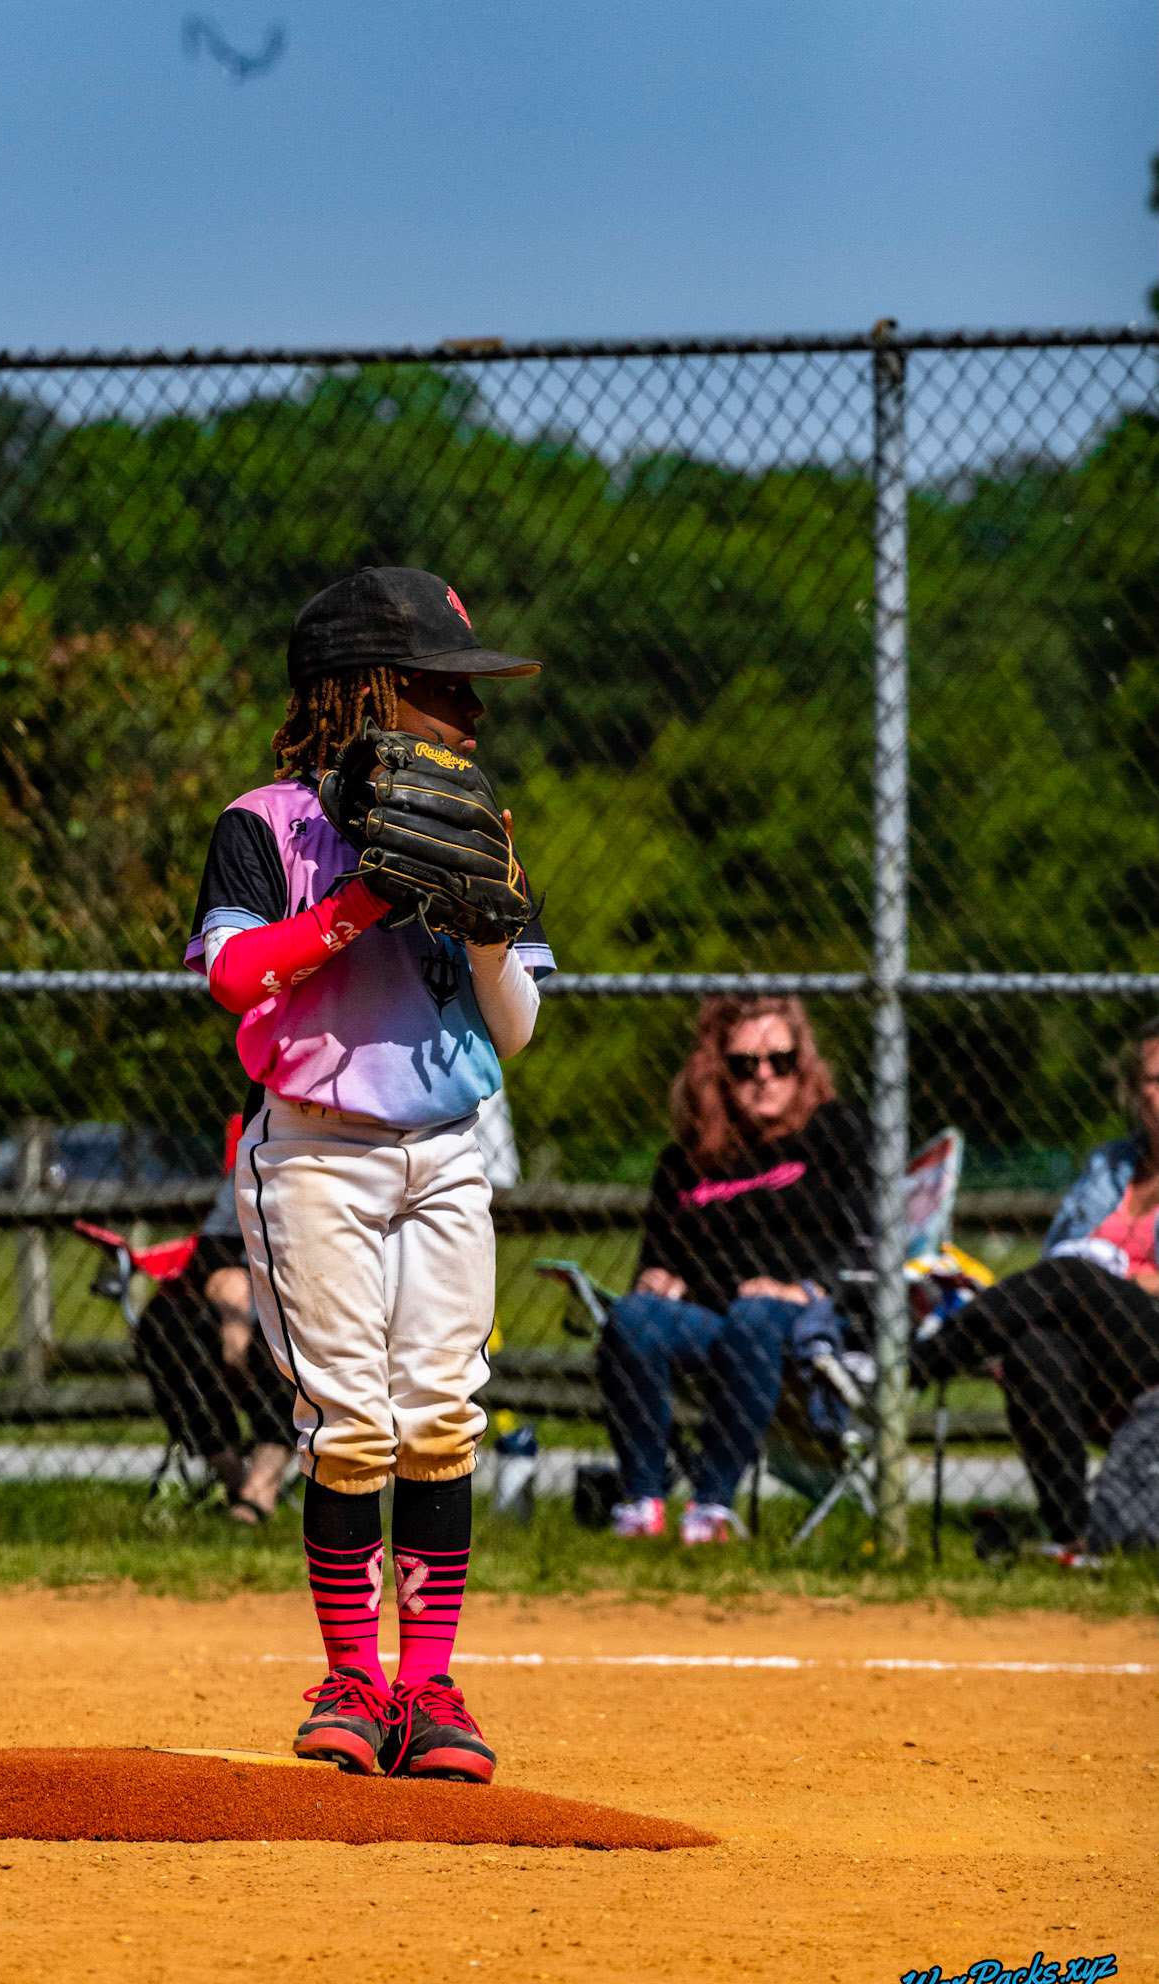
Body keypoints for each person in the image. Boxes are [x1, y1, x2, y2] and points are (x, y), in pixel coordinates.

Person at [185, 566, 553, 1780]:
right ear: (370, 690)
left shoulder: (475, 820)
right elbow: (234, 975)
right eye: (447, 687)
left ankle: (429, 1685)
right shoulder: (265, 823)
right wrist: (357, 904)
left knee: (442, 1412)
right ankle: (353, 1677)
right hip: (316, 1152)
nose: (474, 712)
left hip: (447, 1150)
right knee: (350, 1420)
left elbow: (516, 1029)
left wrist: (489, 926)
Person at [595, 997, 870, 1544]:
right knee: (631, 1318)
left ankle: (711, 1507)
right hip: (712, 1319)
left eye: (780, 1061)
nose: (764, 1076)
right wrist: (656, 1280)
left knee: (755, 1314)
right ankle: (642, 1501)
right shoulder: (684, 1163)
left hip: (801, 1320)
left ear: (802, 1065)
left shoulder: (836, 1133)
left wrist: (807, 1289)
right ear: (719, 1073)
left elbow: (868, 1243)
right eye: (745, 1065)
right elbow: (656, 1263)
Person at [916, 1019, 1159, 1552]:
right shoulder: (1110, 1164)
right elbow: (1058, 1256)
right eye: (1154, 1079)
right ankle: (1074, 1537)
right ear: (1135, 1090)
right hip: (1096, 1342)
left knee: (1076, 1277)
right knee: (1034, 1349)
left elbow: (1072, 1273)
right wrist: (1097, 1281)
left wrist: (1123, 1279)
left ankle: (915, 1367)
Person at [134, 1170, 297, 1525]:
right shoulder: (258, 1158)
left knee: (288, 1332)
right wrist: (232, 1308)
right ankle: (231, 1474)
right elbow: (213, 1249)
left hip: (308, 1298)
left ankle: (261, 1489)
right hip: (241, 1298)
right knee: (166, 1322)